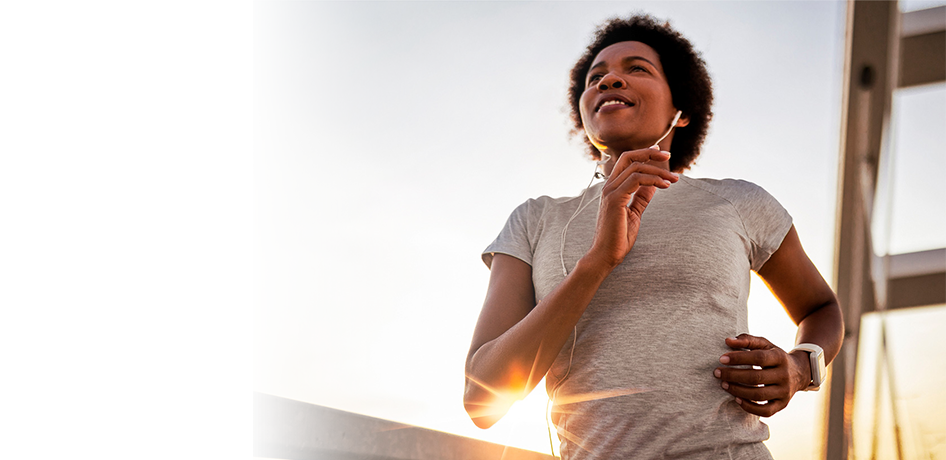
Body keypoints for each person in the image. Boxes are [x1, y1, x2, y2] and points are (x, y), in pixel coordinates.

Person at [462, 14, 844, 459]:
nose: (609, 81)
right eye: (596, 77)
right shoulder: (536, 219)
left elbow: (822, 307)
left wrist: (801, 368)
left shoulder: (739, 202)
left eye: (636, 68)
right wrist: (598, 261)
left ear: (680, 110)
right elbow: (481, 401)